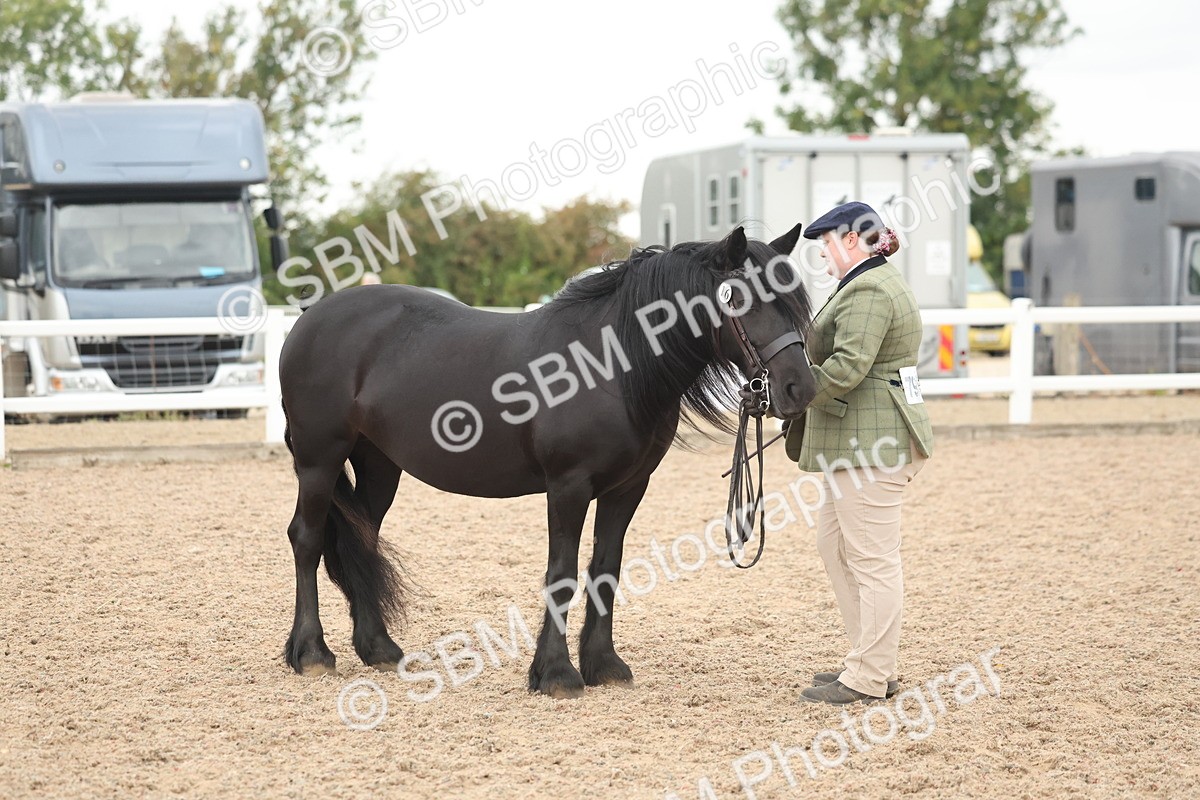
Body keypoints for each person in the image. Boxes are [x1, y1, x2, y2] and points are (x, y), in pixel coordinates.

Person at [783, 201, 934, 705]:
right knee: (837, 546)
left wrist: (790, 394)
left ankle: (870, 676)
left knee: (871, 559)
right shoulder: (866, 282)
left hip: (872, 444)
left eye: (826, 244)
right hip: (860, 445)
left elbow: (848, 366)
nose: (822, 256)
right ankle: (868, 660)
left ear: (850, 239)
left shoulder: (869, 288)